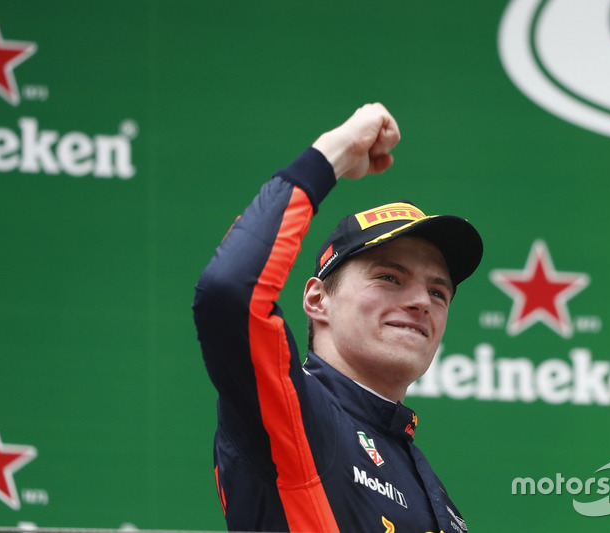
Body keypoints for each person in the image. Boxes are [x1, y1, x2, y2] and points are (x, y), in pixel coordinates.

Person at [193, 103, 483, 532]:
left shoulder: (430, 485)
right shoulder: (298, 411)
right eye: (389, 277)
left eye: (438, 291)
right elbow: (231, 292)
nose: (422, 300)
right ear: (316, 300)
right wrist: (334, 152)